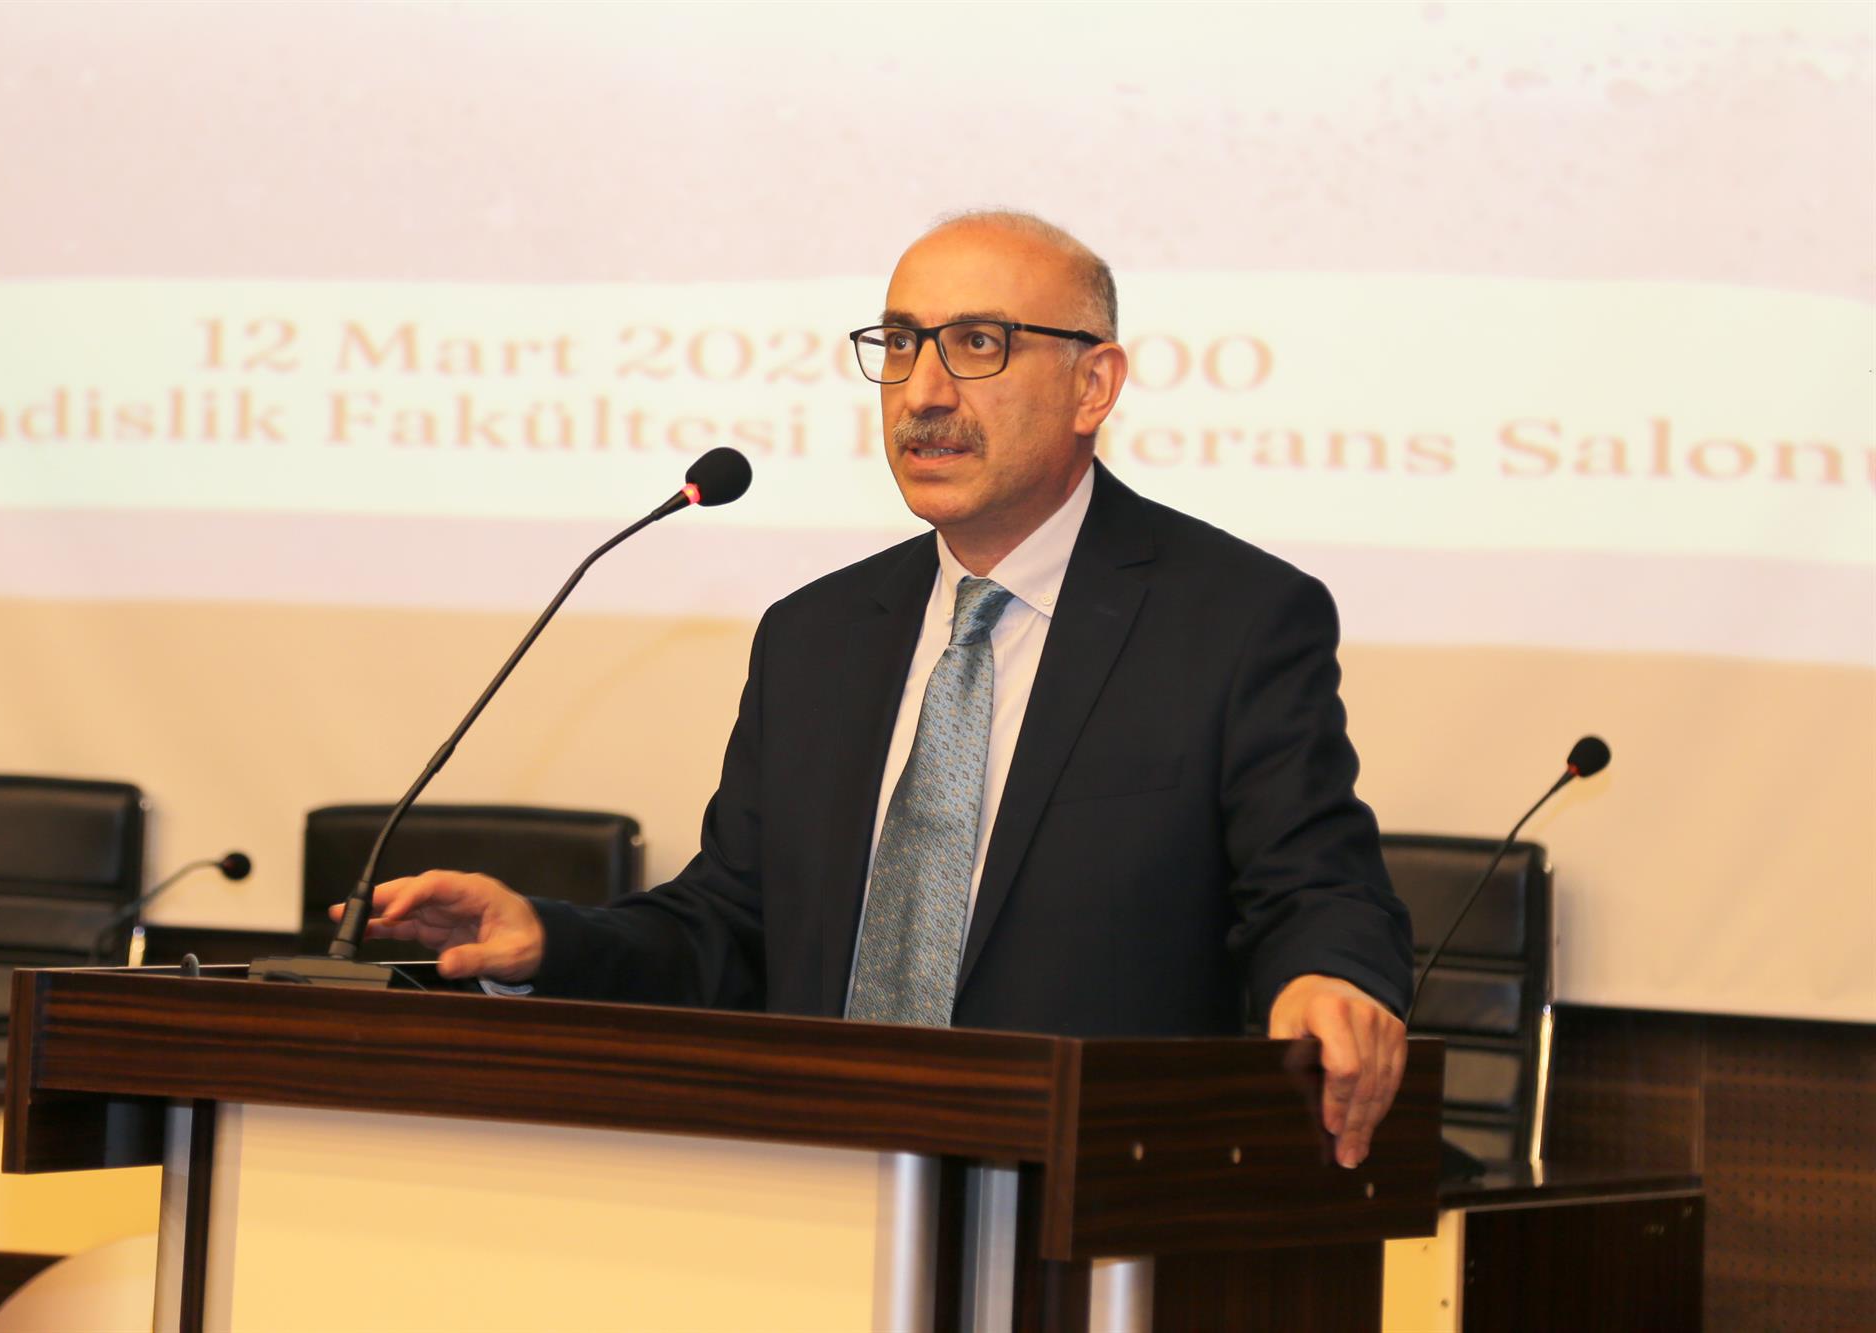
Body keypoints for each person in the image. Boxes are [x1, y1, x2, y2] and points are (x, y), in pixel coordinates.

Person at [338, 212, 1413, 1169]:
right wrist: (550, 939)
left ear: (1093, 385)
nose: (925, 392)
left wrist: (1329, 977)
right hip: (819, 1194)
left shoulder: (1230, 619)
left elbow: (1316, 887)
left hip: (1082, 1201)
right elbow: (733, 927)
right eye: (900, 345)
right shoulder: (815, 635)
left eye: (978, 344)